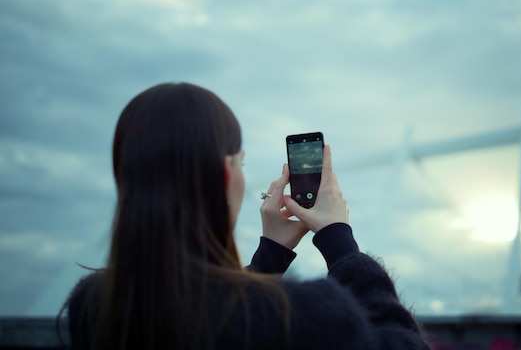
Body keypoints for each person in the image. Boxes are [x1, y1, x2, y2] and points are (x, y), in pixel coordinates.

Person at [61, 82, 433, 350]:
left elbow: (211, 315)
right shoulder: (306, 315)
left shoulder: (94, 306)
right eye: (242, 162)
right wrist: (341, 243)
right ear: (226, 173)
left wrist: (270, 256)